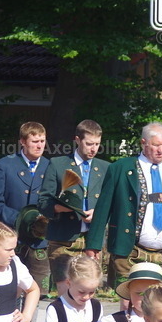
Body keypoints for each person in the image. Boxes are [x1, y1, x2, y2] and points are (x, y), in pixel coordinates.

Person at [84, 122, 162, 289]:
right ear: (143, 143)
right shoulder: (121, 168)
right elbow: (103, 208)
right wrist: (93, 245)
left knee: (158, 305)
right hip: (128, 250)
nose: (161, 150)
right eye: (155, 145)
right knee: (127, 301)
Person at [0, 121, 50, 322]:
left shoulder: (49, 166)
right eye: (35, 141)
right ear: (22, 142)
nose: (39, 145)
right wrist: (24, 220)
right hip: (10, 239)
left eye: (42, 141)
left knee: (35, 292)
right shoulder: (5, 165)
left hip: (40, 244)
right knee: (11, 291)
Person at [38, 120, 109, 281]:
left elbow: (111, 205)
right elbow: (43, 202)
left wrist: (97, 213)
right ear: (77, 140)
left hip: (92, 239)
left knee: (87, 290)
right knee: (65, 289)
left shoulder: (105, 168)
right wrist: (64, 208)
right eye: (89, 143)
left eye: (97, 144)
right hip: (63, 239)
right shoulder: (57, 164)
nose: (94, 149)